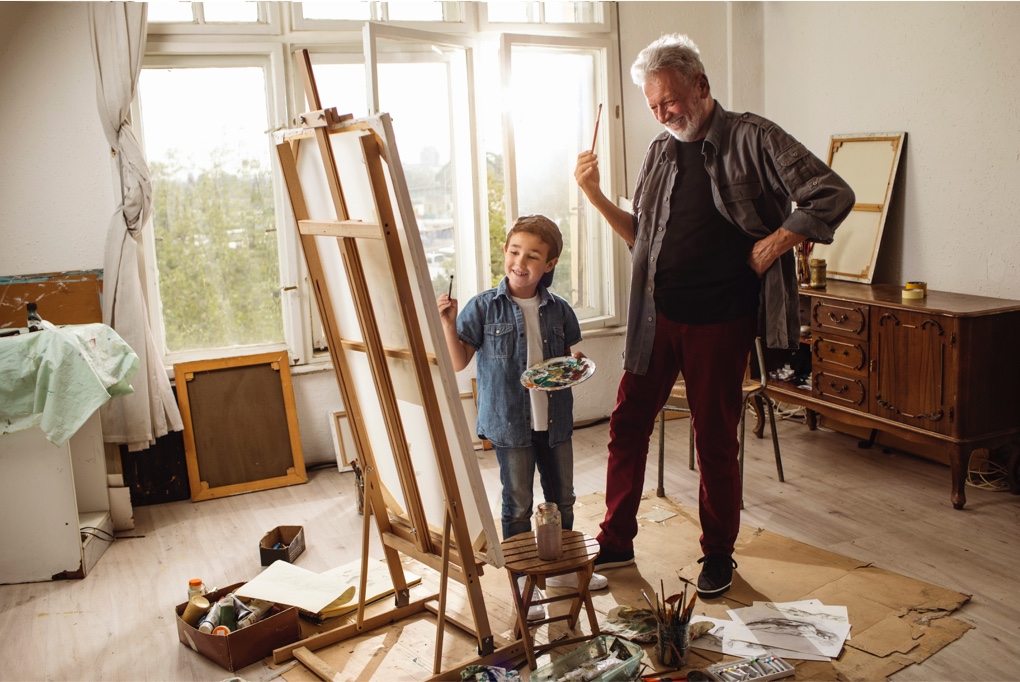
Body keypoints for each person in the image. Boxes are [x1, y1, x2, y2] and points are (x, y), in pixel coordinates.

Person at [573, 33, 854, 598]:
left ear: (701, 85)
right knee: (626, 427)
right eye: (653, 106)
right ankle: (617, 540)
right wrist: (595, 196)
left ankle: (718, 554)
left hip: (720, 320)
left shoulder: (754, 136)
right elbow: (642, 241)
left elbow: (831, 193)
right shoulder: (657, 152)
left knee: (714, 440)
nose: (663, 114)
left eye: (670, 100)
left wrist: (772, 245)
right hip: (656, 317)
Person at [437, 214, 608, 620]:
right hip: (510, 422)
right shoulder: (483, 307)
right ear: (505, 252)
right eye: (515, 251)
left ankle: (564, 570)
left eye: (533, 256)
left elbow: (570, 358)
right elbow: (460, 361)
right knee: (517, 504)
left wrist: (578, 362)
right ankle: (522, 580)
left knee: (562, 497)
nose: (521, 261)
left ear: (549, 265)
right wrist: (446, 322)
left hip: (555, 422)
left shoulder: (559, 309)